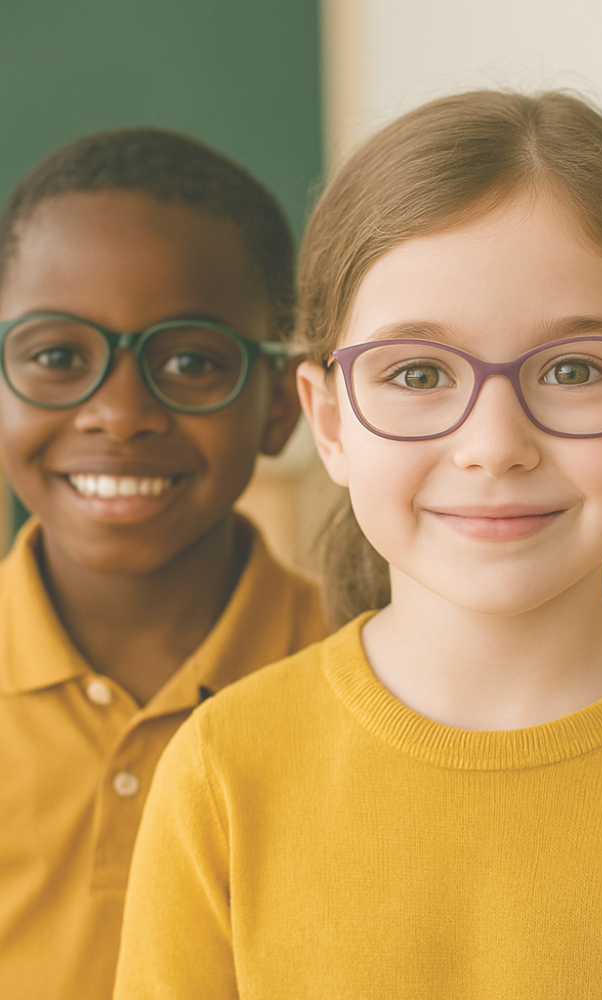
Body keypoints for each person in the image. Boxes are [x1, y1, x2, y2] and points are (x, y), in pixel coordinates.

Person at [114, 91, 602, 999]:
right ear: (330, 421)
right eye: (419, 374)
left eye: (574, 370)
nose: (496, 443)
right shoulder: (221, 772)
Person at [0, 127, 328, 1000]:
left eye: (189, 362)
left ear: (281, 408)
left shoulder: (363, 678)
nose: (118, 413)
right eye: (58, 356)